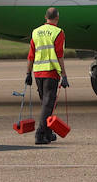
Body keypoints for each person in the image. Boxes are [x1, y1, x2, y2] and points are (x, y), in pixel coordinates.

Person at [25, 7, 69, 145]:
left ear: (45, 17)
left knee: (46, 104)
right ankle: (40, 134)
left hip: (37, 72)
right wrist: (64, 75)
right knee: (48, 104)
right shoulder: (58, 32)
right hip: (50, 72)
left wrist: (28, 73)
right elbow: (59, 55)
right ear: (57, 18)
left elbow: (31, 55)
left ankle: (48, 133)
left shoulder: (35, 32)